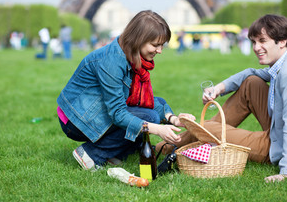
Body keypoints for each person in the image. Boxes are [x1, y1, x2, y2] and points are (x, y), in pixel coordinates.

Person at [156, 14, 287, 182]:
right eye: (253, 42)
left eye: (263, 41)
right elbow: (251, 73)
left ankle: (168, 146)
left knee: (207, 128)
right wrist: (219, 88)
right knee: (251, 83)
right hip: (280, 131)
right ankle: (205, 136)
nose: (256, 48)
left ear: (283, 41)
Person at [57, 10, 195, 170]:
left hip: (88, 112)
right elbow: (117, 113)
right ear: (139, 39)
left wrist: (173, 119)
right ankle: (91, 154)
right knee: (149, 117)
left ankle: (113, 154)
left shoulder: (131, 55)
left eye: (162, 45)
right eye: (155, 45)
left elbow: (148, 101)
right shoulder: (112, 61)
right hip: (76, 119)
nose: (160, 51)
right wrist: (157, 129)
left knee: (155, 108)